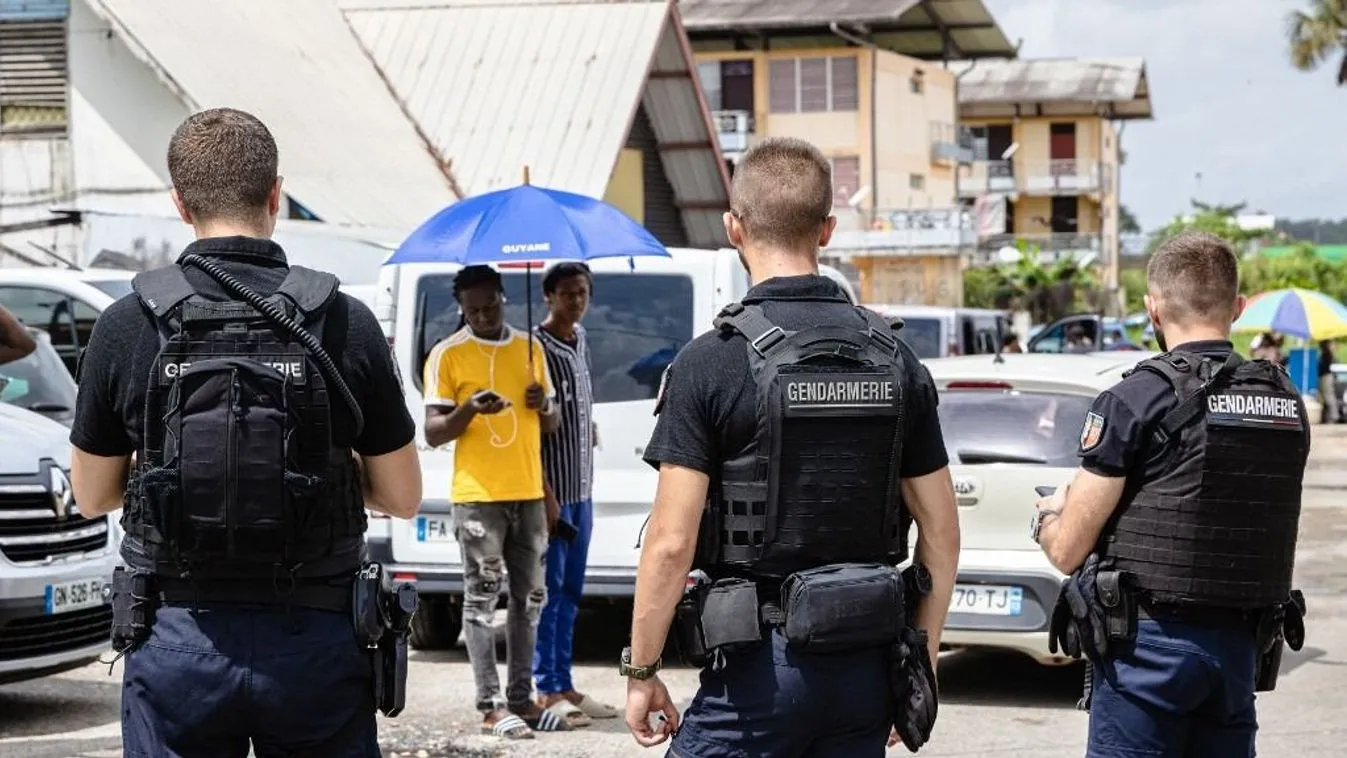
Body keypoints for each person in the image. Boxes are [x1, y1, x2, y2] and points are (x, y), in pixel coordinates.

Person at [67, 107, 423, 756]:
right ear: (275, 195)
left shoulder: (126, 324)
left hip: (176, 633)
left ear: (179, 204)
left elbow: (92, 496)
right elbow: (400, 496)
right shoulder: (344, 321)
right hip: (315, 631)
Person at [622, 137, 960, 756]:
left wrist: (642, 674)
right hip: (866, 668)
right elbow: (941, 533)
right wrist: (921, 664)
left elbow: (670, 544)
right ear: (827, 229)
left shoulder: (710, 362)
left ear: (733, 227)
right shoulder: (896, 359)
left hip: (756, 672)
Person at [1033, 230, 1309, 758]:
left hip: (1149, 650)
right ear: (1238, 307)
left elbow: (1067, 550)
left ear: (1152, 309)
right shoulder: (1284, 403)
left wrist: (1048, 518)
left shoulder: (1136, 398)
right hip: (1239, 650)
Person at [422, 264, 564, 739]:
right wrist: (469, 409)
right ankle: (489, 706)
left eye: (490, 305)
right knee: (481, 601)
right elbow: (434, 431)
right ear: (461, 309)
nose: (483, 316)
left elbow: (551, 424)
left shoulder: (530, 346)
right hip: (478, 498)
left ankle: (522, 700)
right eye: (473, 310)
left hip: (526, 492)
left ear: (504, 296)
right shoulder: (448, 354)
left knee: (530, 602)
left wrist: (542, 403)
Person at [529, 261, 617, 727]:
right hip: (554, 492)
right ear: (548, 297)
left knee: (572, 592)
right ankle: (545, 688)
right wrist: (546, 496)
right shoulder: (536, 348)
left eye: (582, 292)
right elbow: (533, 432)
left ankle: (564, 682)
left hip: (583, 487)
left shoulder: (580, 339)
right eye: (566, 294)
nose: (575, 301)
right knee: (550, 592)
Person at [1318, 339, 1338, 424]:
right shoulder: (1324, 352)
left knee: (1329, 396)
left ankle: (1334, 416)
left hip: (1326, 376)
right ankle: (1329, 417)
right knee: (1325, 397)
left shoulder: (1327, 352)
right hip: (1323, 376)